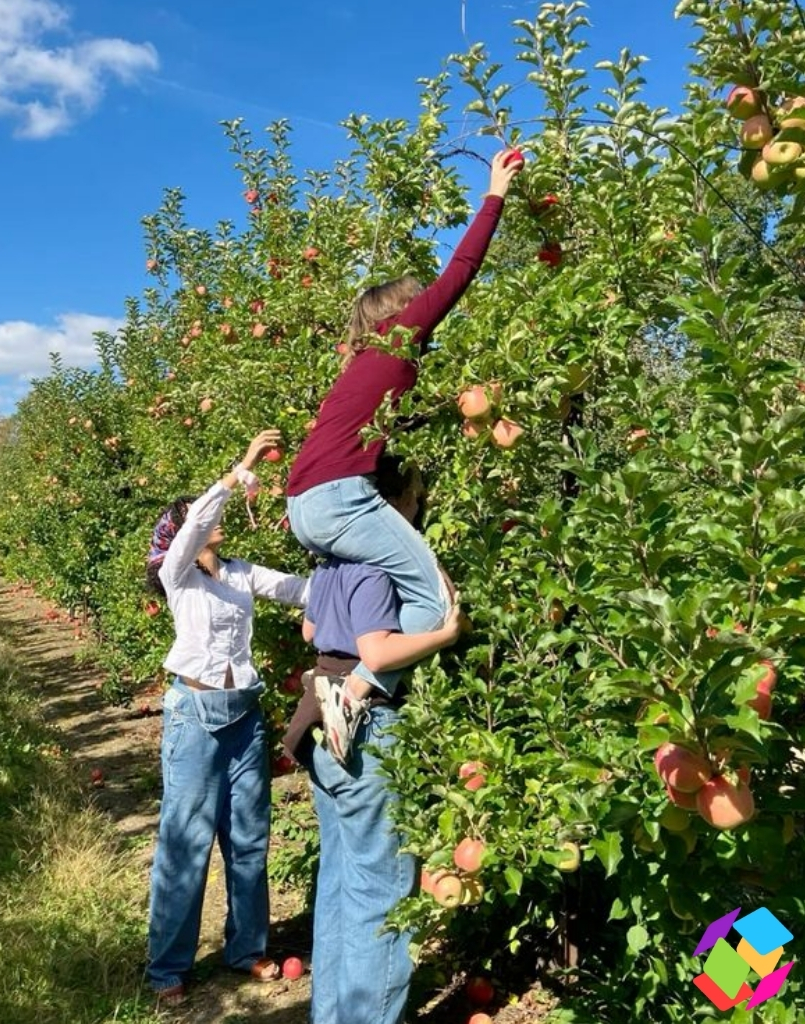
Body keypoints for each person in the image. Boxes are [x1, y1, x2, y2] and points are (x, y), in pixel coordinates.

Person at [285, 149, 521, 764]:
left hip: (304, 504)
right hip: (341, 499)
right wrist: (494, 193)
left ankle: (342, 682)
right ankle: (359, 685)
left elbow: (385, 426)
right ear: (398, 313)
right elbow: (460, 272)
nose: (427, 316)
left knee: (384, 583)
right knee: (437, 600)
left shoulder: (362, 369)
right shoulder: (401, 337)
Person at [282, 459, 463, 1024]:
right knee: (380, 895)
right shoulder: (378, 568)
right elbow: (379, 652)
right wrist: (444, 633)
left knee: (339, 884)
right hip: (366, 729)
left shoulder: (330, 566)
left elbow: (311, 631)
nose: (419, 508)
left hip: (321, 724)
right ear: (395, 503)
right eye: (416, 497)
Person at [145, 429, 311, 1005]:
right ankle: (168, 965)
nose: (208, 519)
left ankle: (246, 947)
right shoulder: (178, 576)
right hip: (194, 716)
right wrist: (236, 469)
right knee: (186, 839)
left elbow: (296, 590)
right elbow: (192, 527)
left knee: (249, 838)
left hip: (243, 715)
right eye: (193, 514)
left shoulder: (239, 573)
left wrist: (358, 580)